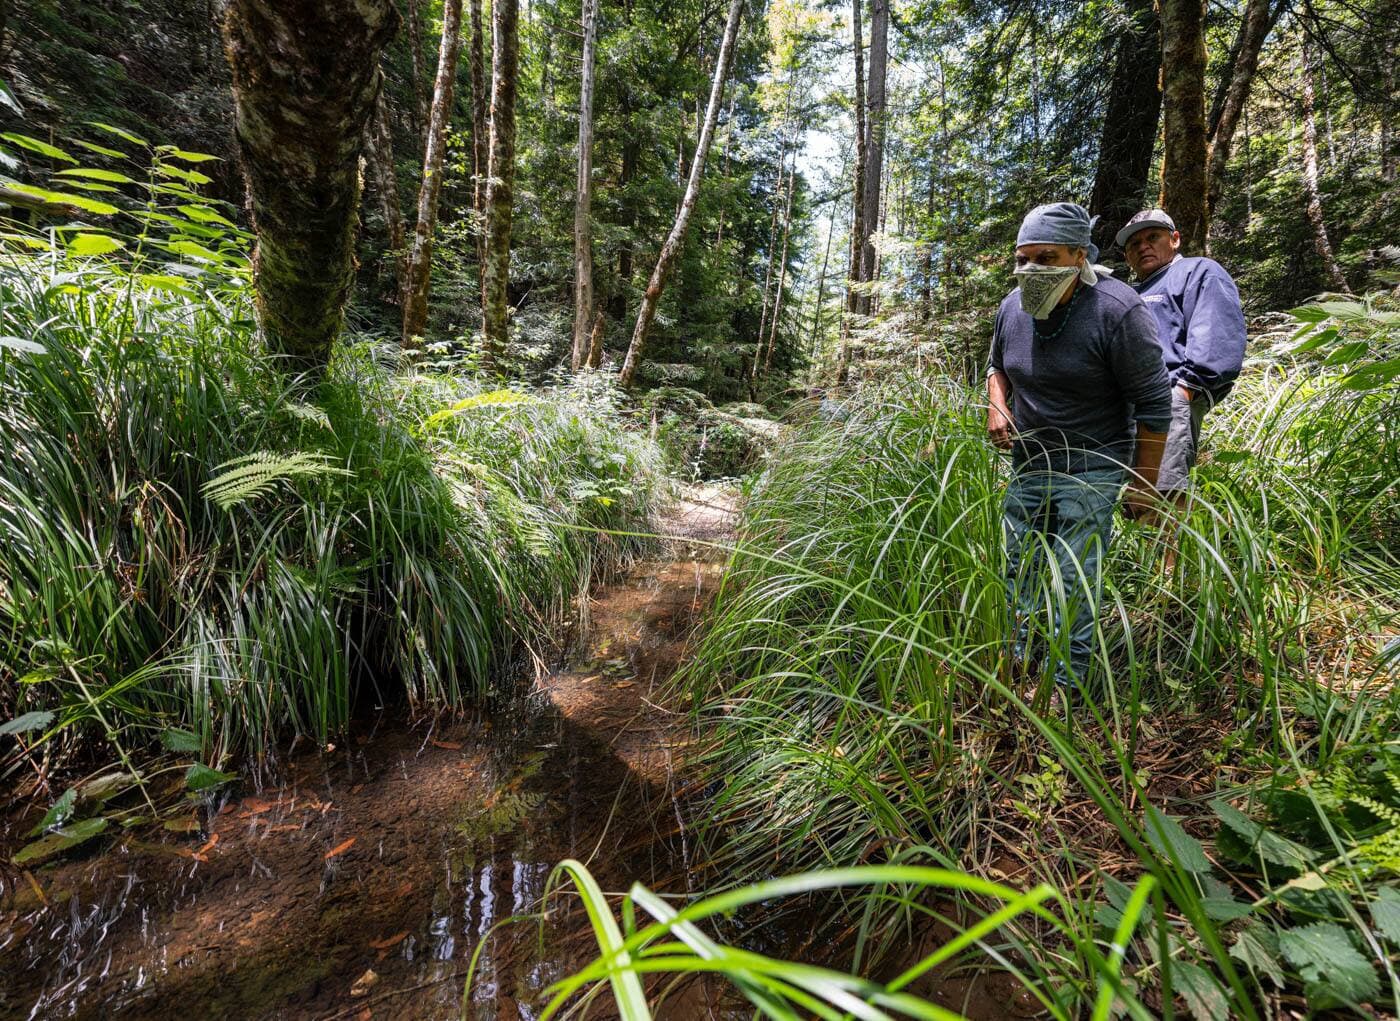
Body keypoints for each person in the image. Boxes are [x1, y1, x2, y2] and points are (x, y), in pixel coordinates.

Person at [987, 202, 1173, 699]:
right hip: (1030, 462)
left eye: (1046, 258)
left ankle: (1068, 685)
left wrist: (1144, 483)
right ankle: (1019, 659)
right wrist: (998, 406)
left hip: (1093, 464)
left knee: (1073, 576)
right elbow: (996, 365)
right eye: (1023, 259)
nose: (1032, 270)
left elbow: (1155, 402)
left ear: (1079, 255)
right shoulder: (1012, 307)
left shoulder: (1116, 309)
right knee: (1018, 565)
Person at [1115, 209, 1248, 498]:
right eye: (1134, 244)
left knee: (1162, 493)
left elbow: (1215, 331)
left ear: (1174, 239)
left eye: (1153, 237)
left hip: (1169, 397)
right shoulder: (1128, 293)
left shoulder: (1198, 271)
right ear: (1127, 257)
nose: (1143, 246)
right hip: (1125, 406)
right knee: (1130, 497)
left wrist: (1186, 390)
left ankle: (1171, 529)